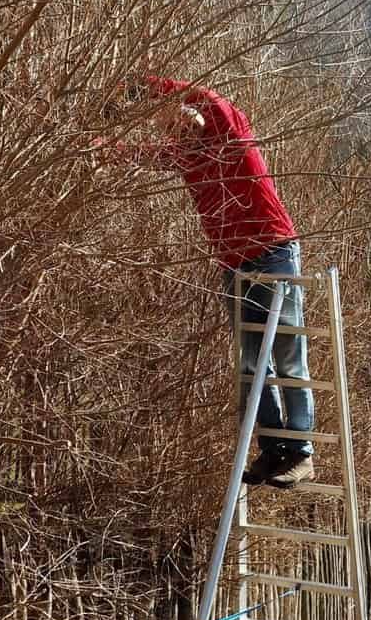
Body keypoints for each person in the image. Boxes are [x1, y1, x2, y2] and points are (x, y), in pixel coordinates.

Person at [99, 76, 315, 489]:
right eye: (173, 127)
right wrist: (100, 147)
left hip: (272, 253)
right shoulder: (186, 158)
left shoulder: (229, 134)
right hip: (233, 266)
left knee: (287, 354)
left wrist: (140, 87)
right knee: (252, 364)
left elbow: (207, 98)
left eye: (187, 118)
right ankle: (273, 449)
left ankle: (302, 451)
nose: (184, 127)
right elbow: (141, 155)